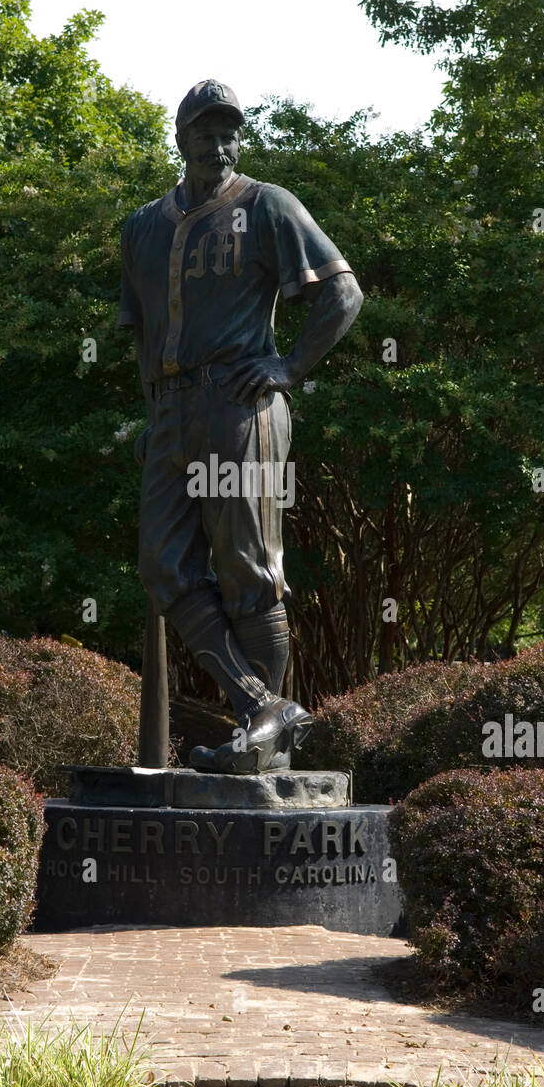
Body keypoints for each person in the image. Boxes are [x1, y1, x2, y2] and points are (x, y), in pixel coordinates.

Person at [118, 80, 363, 772]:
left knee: (246, 570)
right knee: (162, 565)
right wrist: (151, 414)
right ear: (181, 139)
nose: (220, 145)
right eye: (206, 133)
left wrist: (289, 366)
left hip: (241, 402)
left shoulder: (266, 205)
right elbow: (141, 336)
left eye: (230, 134)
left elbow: (343, 293)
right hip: (171, 411)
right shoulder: (142, 228)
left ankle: (266, 750)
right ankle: (262, 707)